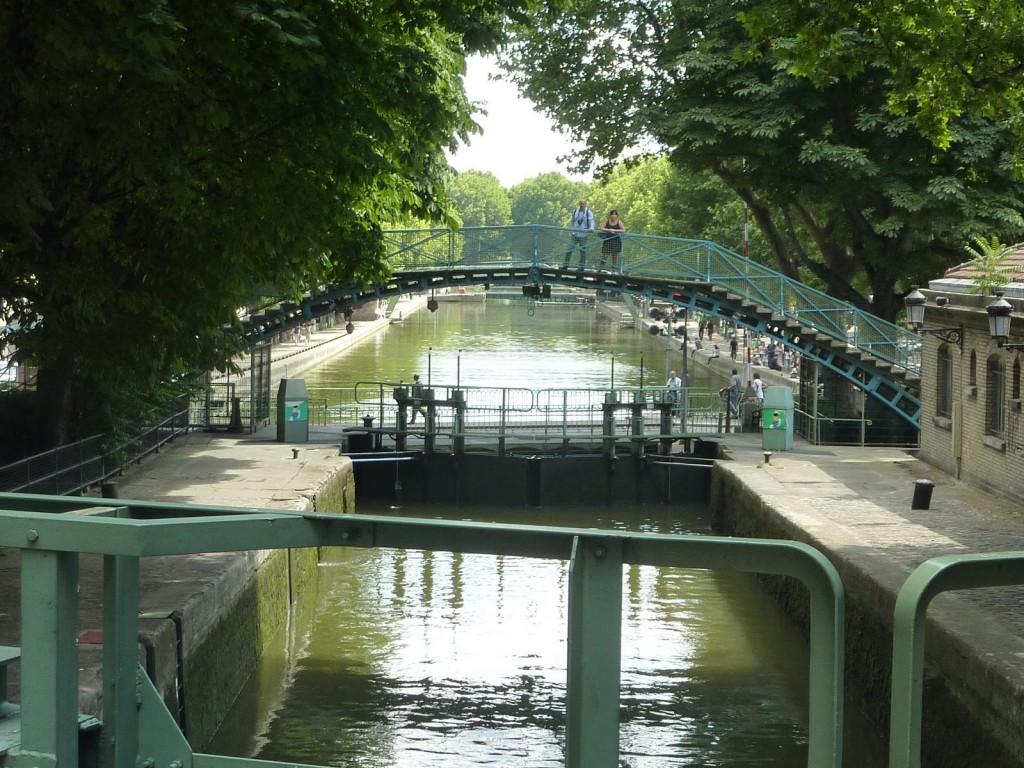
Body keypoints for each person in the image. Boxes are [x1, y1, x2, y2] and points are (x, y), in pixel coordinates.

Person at [563, 198, 595, 268]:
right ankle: (565, 266)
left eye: (583, 204)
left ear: (586, 204)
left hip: (583, 235)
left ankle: (581, 267)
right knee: (569, 250)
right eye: (581, 204)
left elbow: (591, 221)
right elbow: (572, 221)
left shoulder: (588, 212)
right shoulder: (575, 211)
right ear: (579, 204)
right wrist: (572, 229)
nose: (582, 205)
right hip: (575, 234)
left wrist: (591, 227)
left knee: (582, 252)